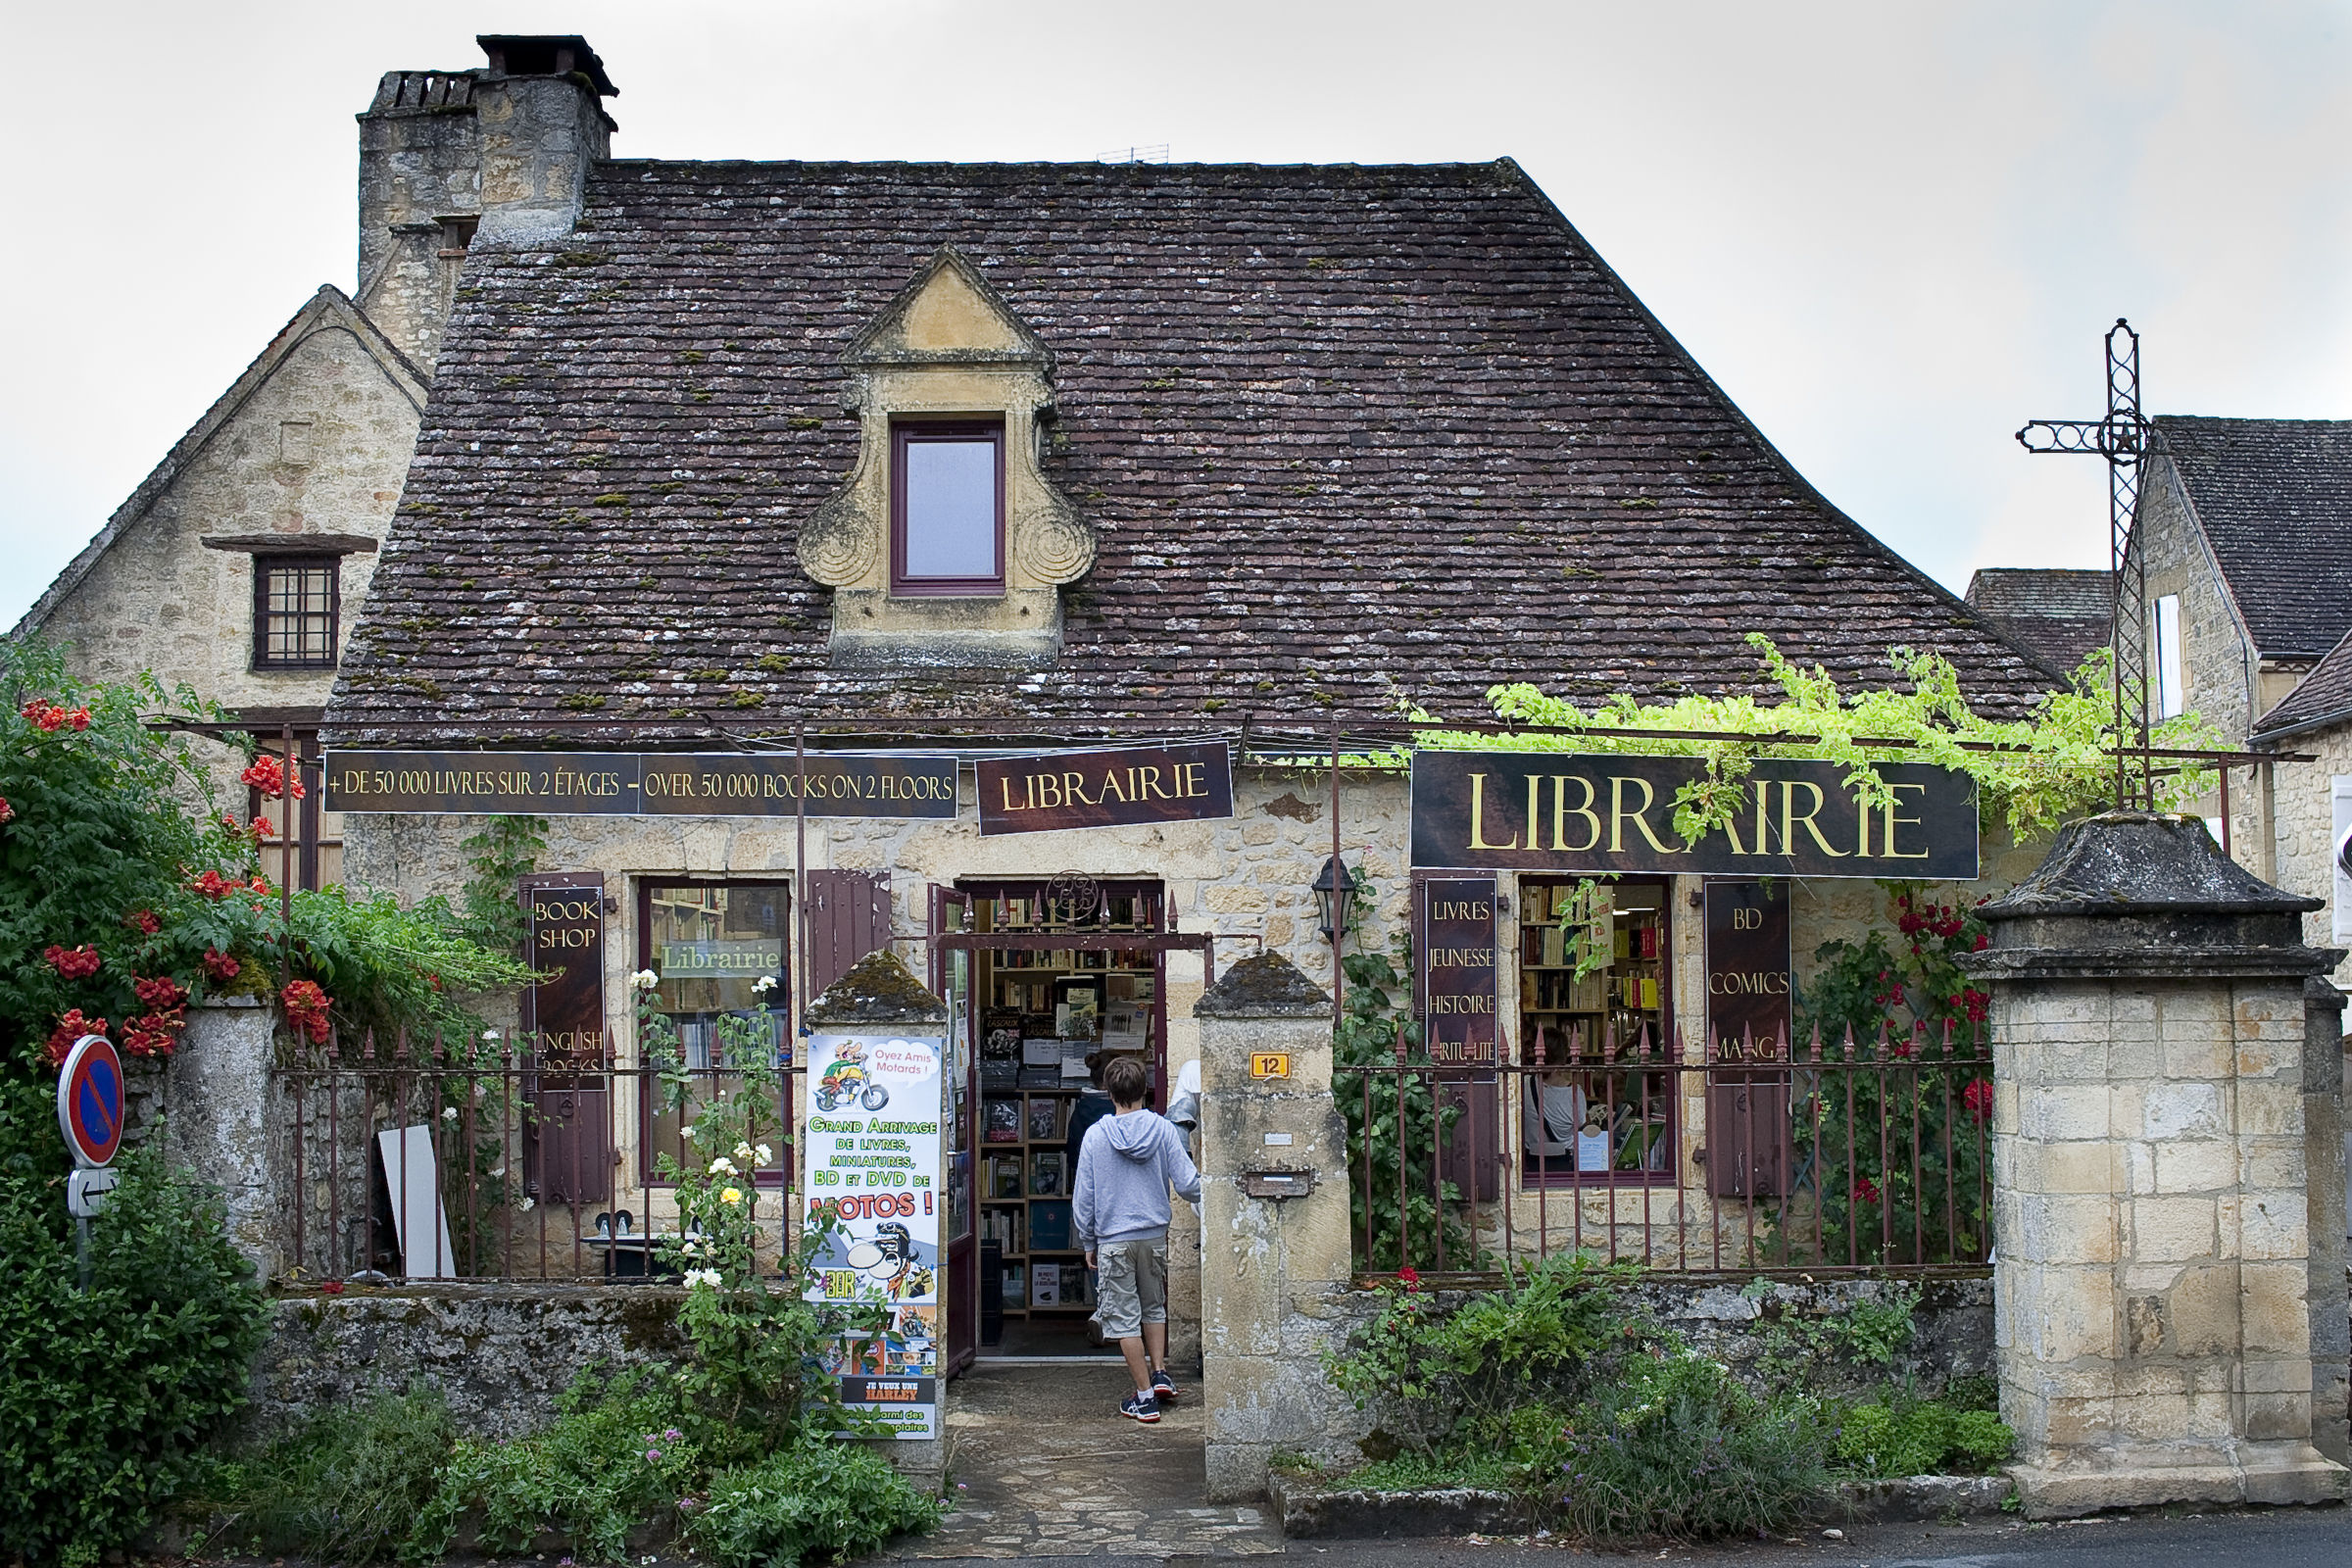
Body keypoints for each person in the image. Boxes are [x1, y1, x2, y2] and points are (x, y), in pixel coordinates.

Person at [1072, 1054, 1200, 1423]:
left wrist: (1088, 1241)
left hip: (1114, 1237)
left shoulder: (1096, 1136)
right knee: (1154, 1306)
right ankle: (1159, 1373)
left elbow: (1085, 1196)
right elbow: (1187, 1183)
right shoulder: (1163, 1130)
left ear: (1109, 1093)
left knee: (1123, 1317)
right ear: (1145, 1090)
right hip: (1154, 1235)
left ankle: (1144, 1397)